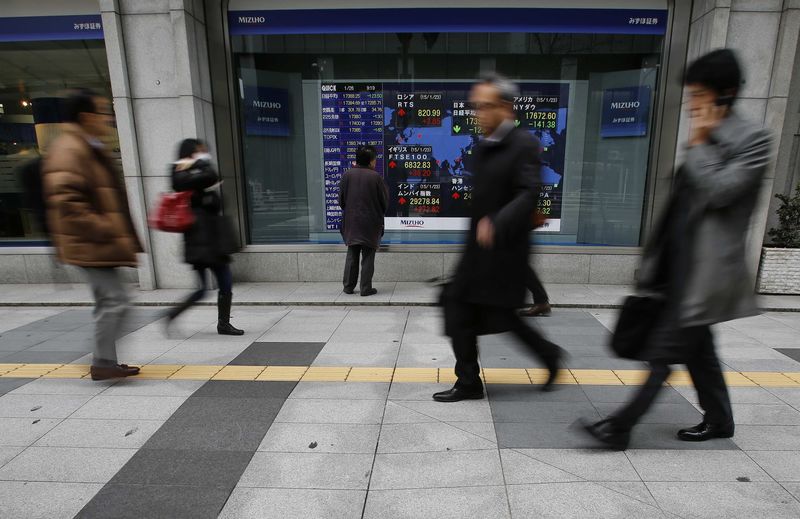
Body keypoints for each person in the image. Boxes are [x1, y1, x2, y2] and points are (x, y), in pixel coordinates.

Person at [580, 49, 773, 450]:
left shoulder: (753, 140)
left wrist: (700, 143)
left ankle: (619, 428)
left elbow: (721, 192)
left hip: (702, 273)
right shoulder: (704, 137)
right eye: (691, 94)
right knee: (698, 351)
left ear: (727, 93)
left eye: (699, 94)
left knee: (663, 354)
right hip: (674, 267)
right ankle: (720, 420)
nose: (692, 103)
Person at [433, 73, 565, 403]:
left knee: (504, 318)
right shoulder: (484, 146)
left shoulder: (523, 144)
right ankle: (468, 382)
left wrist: (497, 221)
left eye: (485, 106)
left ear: (506, 108)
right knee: (457, 308)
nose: (478, 112)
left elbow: (529, 191)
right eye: (475, 106)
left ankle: (549, 356)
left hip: (505, 253)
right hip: (477, 252)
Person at [42, 89, 143, 381]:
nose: (107, 118)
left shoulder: (86, 146)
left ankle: (105, 360)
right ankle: (101, 361)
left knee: (107, 302)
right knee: (117, 302)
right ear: (86, 117)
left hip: (95, 244)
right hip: (90, 244)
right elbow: (67, 204)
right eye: (102, 112)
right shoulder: (70, 150)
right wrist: (108, 229)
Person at [164, 138, 243, 335]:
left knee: (215, 285)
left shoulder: (193, 175)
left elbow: (214, 192)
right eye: (200, 151)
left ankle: (218, 323)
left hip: (211, 239)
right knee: (211, 286)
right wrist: (201, 164)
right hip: (201, 241)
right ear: (190, 152)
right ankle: (219, 323)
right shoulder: (180, 173)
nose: (204, 154)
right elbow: (210, 176)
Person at [339, 145, 388, 297]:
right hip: (370, 223)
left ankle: (348, 286)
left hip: (351, 222)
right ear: (371, 161)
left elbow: (341, 201)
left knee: (352, 254)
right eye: (375, 159)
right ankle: (366, 288)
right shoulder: (376, 177)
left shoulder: (347, 175)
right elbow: (384, 202)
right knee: (368, 256)